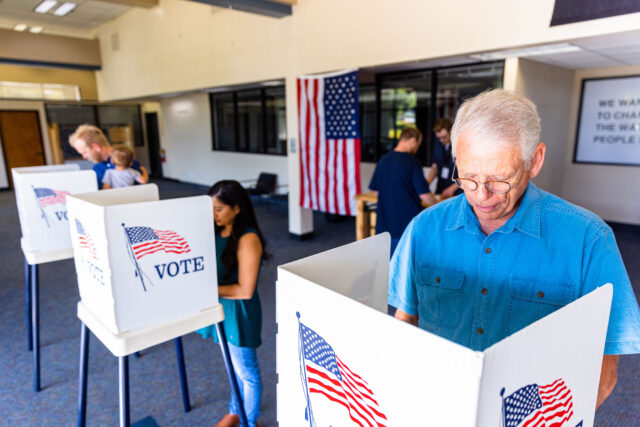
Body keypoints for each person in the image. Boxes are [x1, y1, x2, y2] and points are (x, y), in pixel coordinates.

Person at [389, 89, 640, 409]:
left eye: (499, 180)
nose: (481, 195)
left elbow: (605, 369)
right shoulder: (424, 228)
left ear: (534, 160)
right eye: (467, 176)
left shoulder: (589, 239)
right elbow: (404, 323)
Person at [197, 180, 268, 427]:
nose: (213, 214)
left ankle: (250, 421)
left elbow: (245, 291)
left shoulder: (248, 238)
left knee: (247, 372)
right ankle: (235, 411)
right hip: (222, 308)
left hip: (238, 311)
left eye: (218, 208)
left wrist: (204, 290)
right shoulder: (218, 230)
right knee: (233, 366)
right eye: (211, 208)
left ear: (236, 208)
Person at [369, 127, 437, 255]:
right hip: (406, 227)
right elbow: (425, 196)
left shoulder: (383, 160)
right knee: (406, 266)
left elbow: (375, 192)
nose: (417, 148)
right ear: (412, 141)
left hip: (384, 226)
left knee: (388, 266)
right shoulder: (412, 162)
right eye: (418, 144)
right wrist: (439, 206)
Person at [69, 124, 146, 189]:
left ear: (96, 147)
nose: (84, 157)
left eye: (85, 152)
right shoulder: (97, 168)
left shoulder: (126, 161)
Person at [427, 118, 460, 198]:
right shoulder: (437, 143)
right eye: (439, 138)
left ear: (451, 130)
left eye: (444, 137)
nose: (441, 140)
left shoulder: (460, 145)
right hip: (441, 188)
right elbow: (435, 167)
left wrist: (452, 189)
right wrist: (426, 184)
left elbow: (468, 174)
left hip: (456, 190)